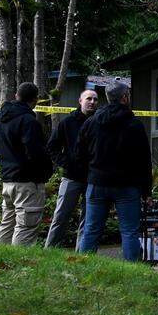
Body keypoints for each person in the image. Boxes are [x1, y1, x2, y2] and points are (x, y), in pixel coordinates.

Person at [76, 82, 153, 261]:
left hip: (97, 182)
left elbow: (79, 153)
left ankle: (83, 266)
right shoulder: (134, 125)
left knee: (91, 229)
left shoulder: (91, 122)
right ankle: (131, 270)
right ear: (125, 97)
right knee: (129, 231)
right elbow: (144, 160)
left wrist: (90, 172)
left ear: (108, 98)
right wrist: (146, 191)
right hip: (127, 185)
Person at [0, 82, 53, 246]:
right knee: (26, 227)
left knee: (7, 223)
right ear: (35, 100)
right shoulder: (29, 121)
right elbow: (35, 153)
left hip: (8, 180)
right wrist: (46, 172)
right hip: (27, 182)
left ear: (16, 96)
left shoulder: (1, 121)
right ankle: (20, 267)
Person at [44, 89, 99, 248]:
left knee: (88, 218)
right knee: (61, 215)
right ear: (80, 101)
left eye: (95, 99)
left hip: (93, 178)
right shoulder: (67, 123)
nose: (92, 102)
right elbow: (52, 147)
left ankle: (83, 253)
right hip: (71, 177)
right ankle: (51, 249)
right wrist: (66, 163)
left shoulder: (100, 122)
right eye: (89, 99)